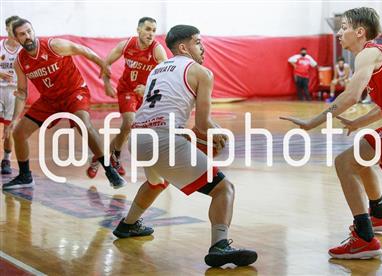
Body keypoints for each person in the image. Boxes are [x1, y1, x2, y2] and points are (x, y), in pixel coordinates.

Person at [280, 7, 382, 259]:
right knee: (360, 160)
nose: (339, 33)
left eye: (344, 28)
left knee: (344, 164)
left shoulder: (368, 54)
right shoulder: (377, 56)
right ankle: (379, 215)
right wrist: (358, 123)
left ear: (360, 32)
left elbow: (351, 96)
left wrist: (313, 122)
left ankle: (364, 238)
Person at [112, 25, 257, 267]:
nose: (203, 47)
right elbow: (202, 123)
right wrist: (217, 134)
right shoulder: (201, 72)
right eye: (198, 42)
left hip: (138, 139)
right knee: (224, 189)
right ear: (183, 47)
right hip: (163, 140)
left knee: (156, 183)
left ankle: (127, 224)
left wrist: (205, 134)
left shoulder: (157, 69)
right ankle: (219, 246)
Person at [2, 18, 125, 190]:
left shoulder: (54, 45)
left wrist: (103, 66)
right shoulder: (20, 62)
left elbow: (82, 50)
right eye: (22, 34)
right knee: (18, 133)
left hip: (73, 92)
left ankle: (110, 171)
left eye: (29, 31)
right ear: (16, 38)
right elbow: (22, 93)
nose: (28, 36)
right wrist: (14, 119)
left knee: (83, 123)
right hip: (49, 100)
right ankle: (25, 176)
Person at [87, 17, 167, 178]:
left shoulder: (157, 50)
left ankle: (100, 156)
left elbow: (167, 75)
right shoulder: (127, 45)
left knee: (140, 129)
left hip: (147, 94)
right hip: (127, 90)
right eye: (147, 29)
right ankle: (116, 156)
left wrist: (148, 89)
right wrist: (107, 84)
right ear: (138, 30)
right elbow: (106, 63)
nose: (151, 33)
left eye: (153, 30)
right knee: (129, 123)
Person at [0, 16, 21, 175]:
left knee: (9, 129)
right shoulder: (0, 46)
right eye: (11, 28)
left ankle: (6, 159)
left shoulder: (23, 50)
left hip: (14, 92)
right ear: (7, 28)